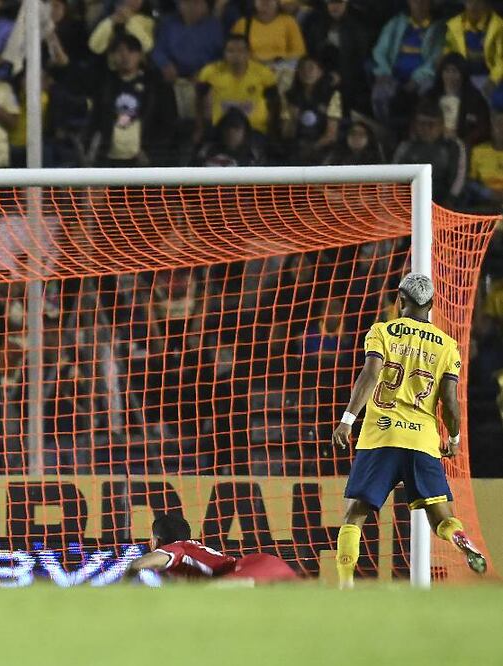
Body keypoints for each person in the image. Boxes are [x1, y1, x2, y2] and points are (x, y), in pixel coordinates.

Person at [332, 273, 487, 589]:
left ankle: (345, 587)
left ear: (400, 300)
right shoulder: (446, 345)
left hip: (381, 435)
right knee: (441, 517)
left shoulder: (382, 332)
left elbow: (370, 374)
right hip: (422, 440)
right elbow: (449, 403)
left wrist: (348, 419)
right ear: (430, 304)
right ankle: (458, 536)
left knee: (355, 516)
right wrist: (454, 438)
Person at [124, 514, 297, 583]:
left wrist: (120, 592)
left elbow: (137, 564)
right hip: (267, 566)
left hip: (251, 570)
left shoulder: (176, 547)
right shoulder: (193, 550)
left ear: (155, 541)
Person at [88, 34, 169, 167]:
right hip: (109, 158)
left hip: (143, 160)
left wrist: (151, 152)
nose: (125, 56)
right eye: (119, 51)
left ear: (140, 55)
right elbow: (95, 119)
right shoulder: (105, 84)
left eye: (130, 51)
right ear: (112, 56)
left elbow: (165, 122)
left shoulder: (155, 86)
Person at [371, 0, 444, 126]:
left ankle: (419, 130)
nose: (419, 5)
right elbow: (380, 50)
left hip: (424, 76)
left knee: (428, 91)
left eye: (424, 2)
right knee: (379, 94)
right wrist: (383, 71)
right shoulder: (396, 23)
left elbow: (435, 58)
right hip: (392, 75)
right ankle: (384, 128)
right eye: (415, 1)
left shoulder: (438, 28)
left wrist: (417, 79)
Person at [149, 0, 224, 120]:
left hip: (203, 79)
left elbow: (220, 57)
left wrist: (204, 73)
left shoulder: (214, 27)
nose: (191, 7)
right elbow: (157, 50)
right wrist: (165, 64)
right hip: (172, 78)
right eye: (186, 3)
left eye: (197, 3)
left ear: (205, 6)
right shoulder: (168, 24)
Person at [196, 35, 279, 139]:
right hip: (220, 129)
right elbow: (199, 102)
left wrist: (272, 131)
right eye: (230, 51)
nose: (236, 55)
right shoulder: (209, 72)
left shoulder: (264, 73)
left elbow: (274, 104)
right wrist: (199, 128)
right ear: (224, 54)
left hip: (254, 129)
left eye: (241, 51)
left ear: (248, 53)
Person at [300, 0, 371, 115]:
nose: (335, 7)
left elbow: (359, 57)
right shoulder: (315, 20)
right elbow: (310, 50)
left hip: (348, 71)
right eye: (331, 2)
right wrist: (321, 71)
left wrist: (340, 74)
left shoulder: (357, 22)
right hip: (321, 68)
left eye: (339, 2)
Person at [392, 101, 467, 206]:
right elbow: (395, 176)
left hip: (446, 204)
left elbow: (458, 179)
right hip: (411, 204)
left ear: (441, 125)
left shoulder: (454, 146)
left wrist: (450, 200)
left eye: (431, 124)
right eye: (422, 124)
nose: (426, 129)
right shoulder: (406, 147)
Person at [423, 53, 491, 149]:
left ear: (463, 74)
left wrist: (463, 142)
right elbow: (421, 121)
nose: (450, 76)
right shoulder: (430, 96)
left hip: (464, 146)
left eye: (454, 71)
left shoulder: (475, 99)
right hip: (432, 144)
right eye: (447, 71)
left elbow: (483, 128)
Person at [282, 54, 341, 164]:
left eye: (311, 68)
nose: (306, 72)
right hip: (297, 145)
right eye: (302, 68)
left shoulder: (332, 96)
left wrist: (313, 147)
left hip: (322, 146)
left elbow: (331, 134)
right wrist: (293, 120)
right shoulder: (289, 97)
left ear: (320, 72)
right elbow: (286, 134)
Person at [442, 0, 503, 90]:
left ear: (486, 4)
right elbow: (449, 55)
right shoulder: (454, 25)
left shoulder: (498, 26)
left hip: (489, 78)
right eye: (470, 2)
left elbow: (501, 62)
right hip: (461, 78)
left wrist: (492, 81)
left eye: (478, 2)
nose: (473, 7)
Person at [230, 0, 305, 72]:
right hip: (252, 71)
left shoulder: (289, 22)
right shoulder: (242, 23)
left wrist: (277, 65)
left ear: (277, 2)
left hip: (281, 71)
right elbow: (234, 53)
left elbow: (298, 53)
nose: (265, 1)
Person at [88, 0, 155, 60]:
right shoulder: (109, 18)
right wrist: (111, 21)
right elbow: (95, 47)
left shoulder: (147, 21)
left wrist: (129, 21)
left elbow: (147, 47)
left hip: (138, 68)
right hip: (110, 68)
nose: (135, 1)